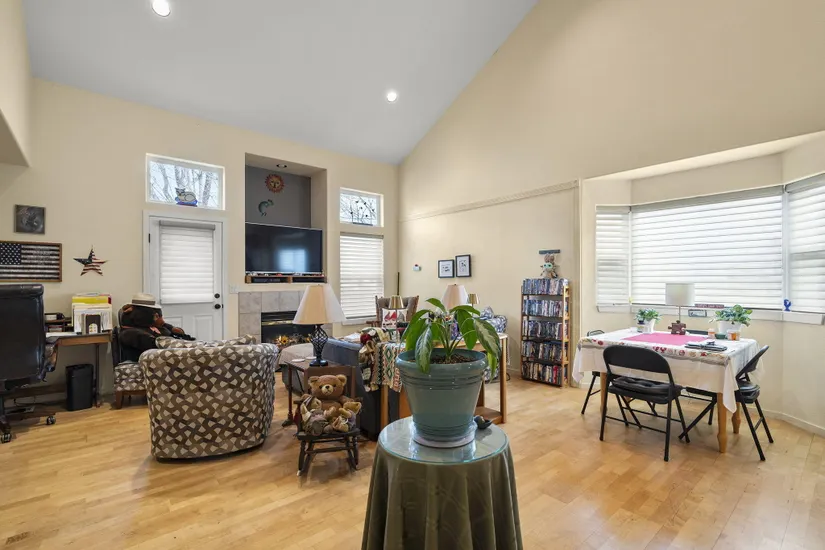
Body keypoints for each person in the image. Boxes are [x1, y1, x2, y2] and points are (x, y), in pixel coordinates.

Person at [118, 293, 193, 362]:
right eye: (156, 316)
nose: (160, 319)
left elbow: (165, 327)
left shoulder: (151, 325)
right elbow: (158, 346)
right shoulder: (131, 333)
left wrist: (171, 328)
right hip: (159, 358)